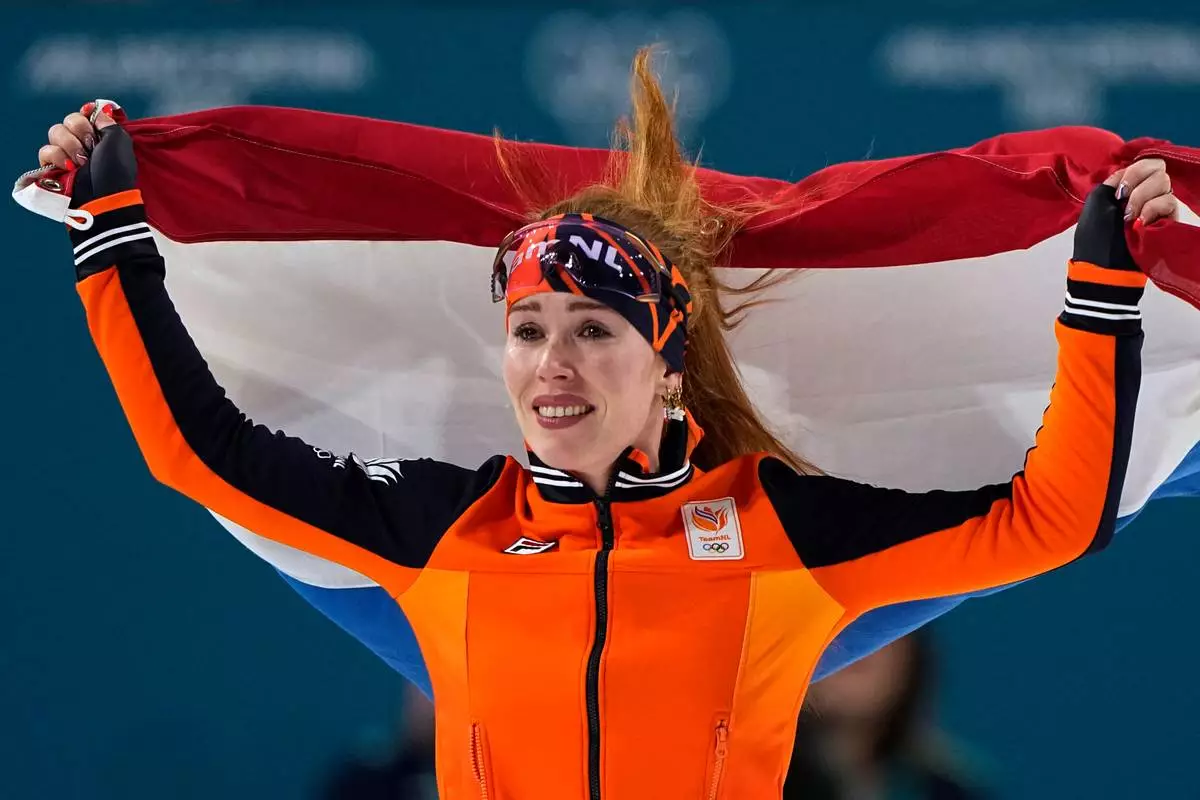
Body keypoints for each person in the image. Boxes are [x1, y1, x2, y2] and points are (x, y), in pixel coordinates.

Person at [27, 48, 1177, 800]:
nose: (551, 363)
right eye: (528, 330)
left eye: (594, 330)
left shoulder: (780, 532)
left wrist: (1101, 301)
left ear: (668, 364)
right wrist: (115, 236)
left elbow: (1052, 518)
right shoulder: (447, 525)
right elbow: (198, 449)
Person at [785, 632, 992, 800]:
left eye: (882, 614)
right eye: (839, 621)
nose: (859, 638)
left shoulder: (952, 793)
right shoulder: (754, 783)